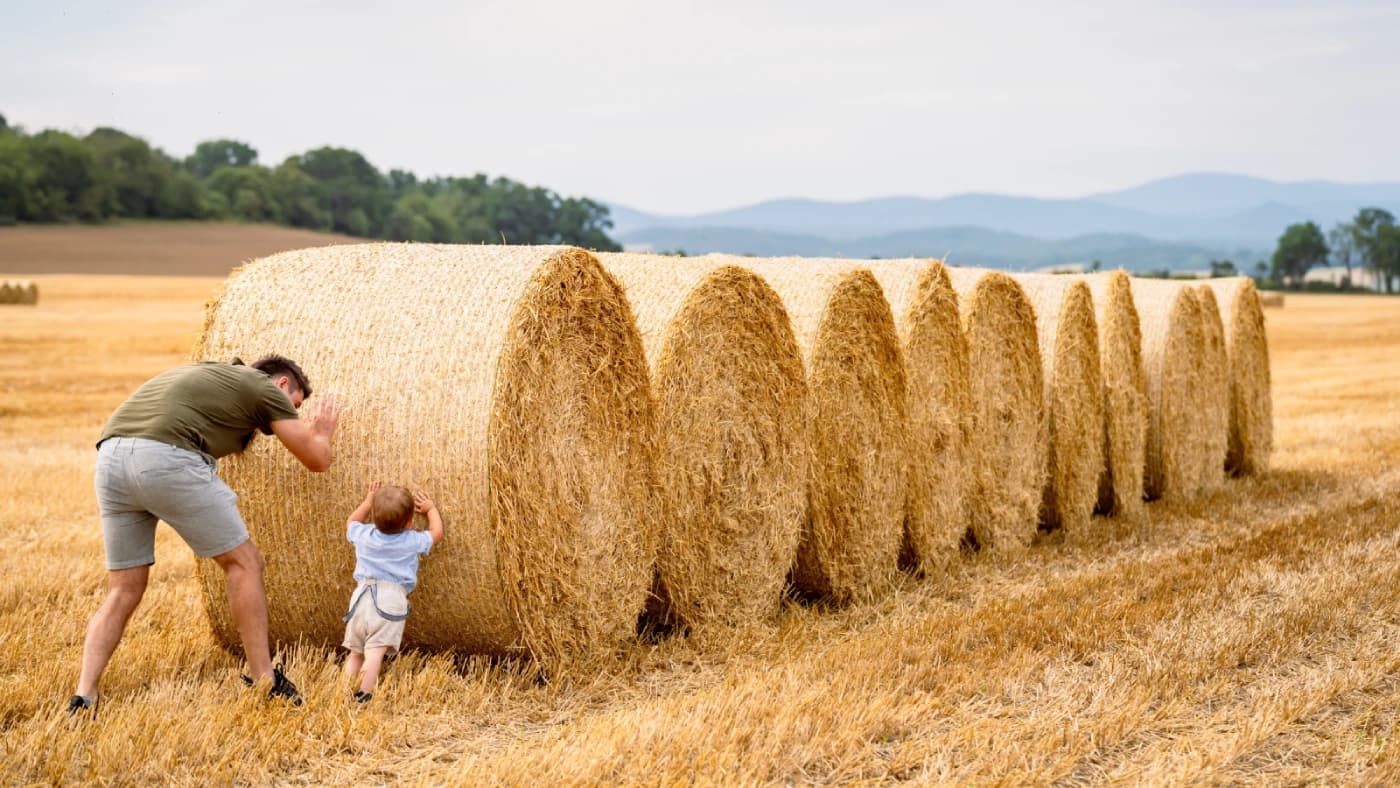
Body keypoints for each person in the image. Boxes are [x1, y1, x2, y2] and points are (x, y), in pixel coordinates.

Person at [70, 355, 340, 715]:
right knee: (244, 563)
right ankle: (262, 676)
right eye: (295, 407)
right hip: (164, 458)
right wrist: (321, 431)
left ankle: (84, 694)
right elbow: (316, 460)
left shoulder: (214, 376)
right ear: (282, 385)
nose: (291, 418)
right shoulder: (266, 389)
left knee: (123, 588)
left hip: (111, 459)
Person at [341, 481, 443, 704]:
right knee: (375, 652)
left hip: (361, 597)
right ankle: (364, 696)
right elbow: (436, 533)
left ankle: (343, 694)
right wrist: (431, 509)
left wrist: (367, 503)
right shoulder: (411, 540)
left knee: (356, 653)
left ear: (375, 518)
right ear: (409, 522)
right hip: (389, 600)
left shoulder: (365, 535)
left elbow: (351, 522)